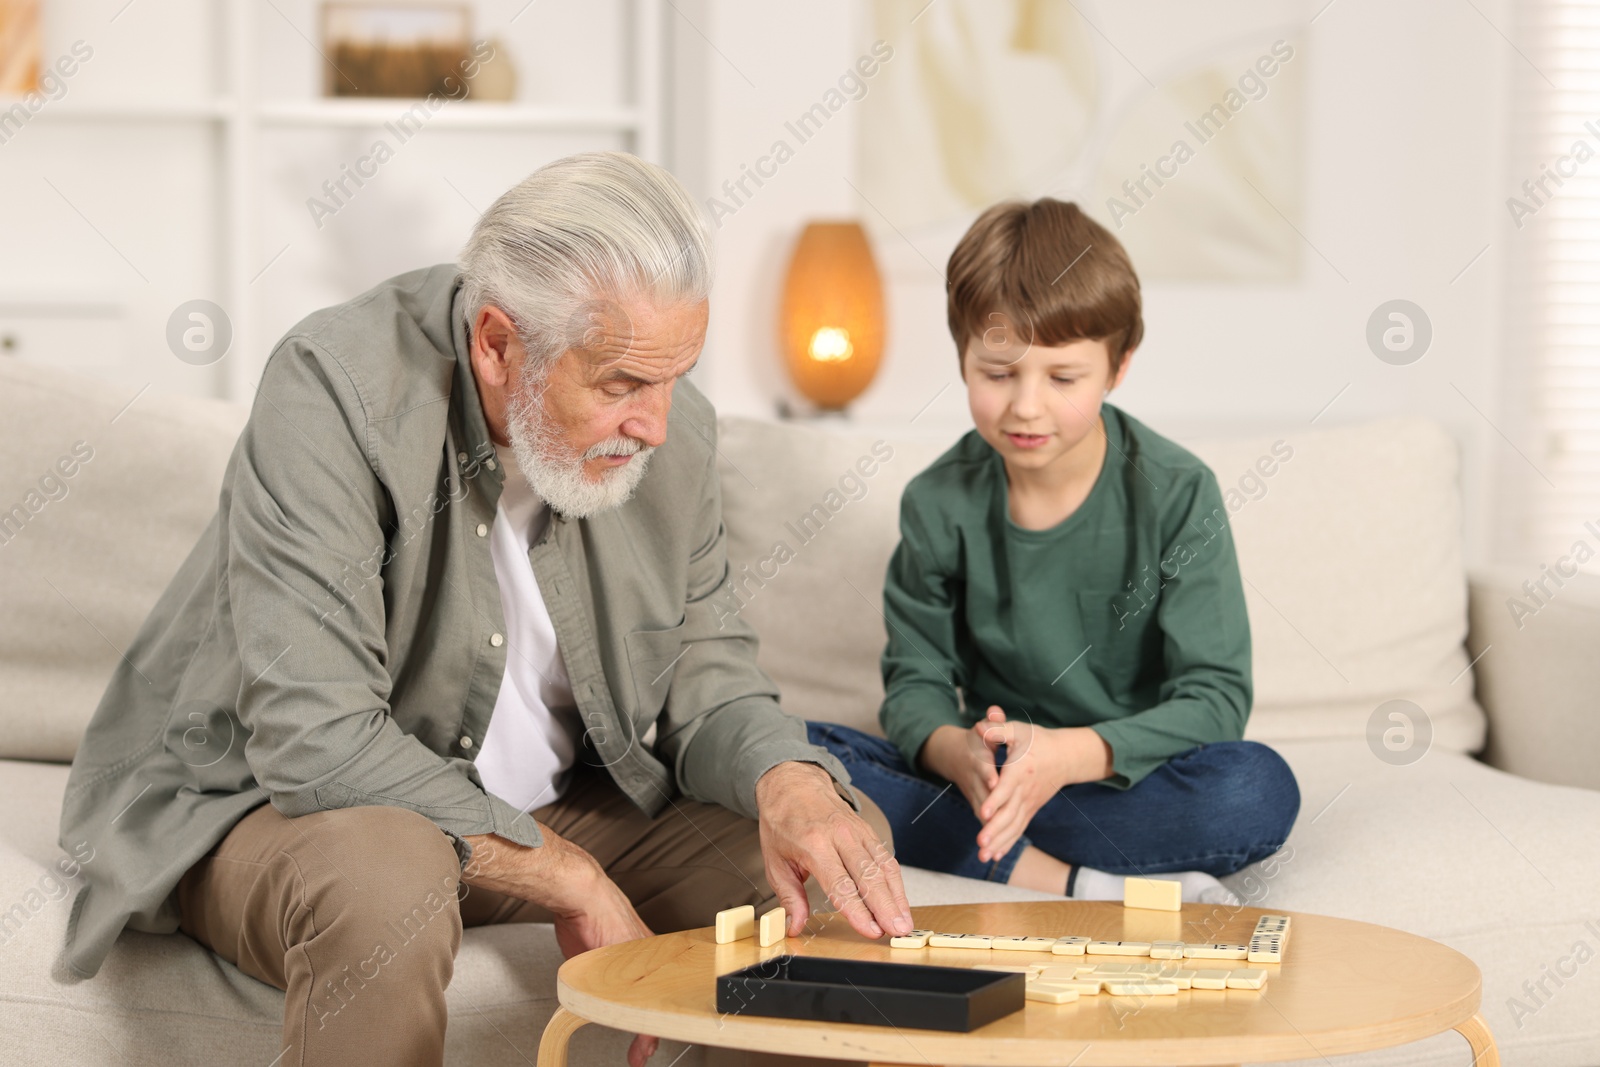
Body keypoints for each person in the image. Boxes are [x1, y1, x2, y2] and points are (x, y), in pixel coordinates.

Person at [57, 151, 912, 1067]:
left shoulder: (676, 430)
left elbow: (707, 676)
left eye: (676, 376)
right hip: (289, 812)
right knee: (389, 879)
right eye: (621, 384)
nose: (657, 425)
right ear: (498, 344)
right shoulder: (333, 390)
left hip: (560, 799)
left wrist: (792, 783)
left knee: (824, 877)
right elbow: (317, 737)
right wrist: (565, 873)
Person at [808, 198, 1299, 905]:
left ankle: (995, 848)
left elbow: (1216, 698)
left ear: (1117, 368)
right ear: (963, 356)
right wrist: (961, 753)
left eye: (1062, 378)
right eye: (998, 373)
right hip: (992, 782)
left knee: (1256, 786)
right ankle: (1074, 881)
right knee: (801, 753)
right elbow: (914, 684)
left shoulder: (1177, 492)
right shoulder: (937, 501)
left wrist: (1067, 756)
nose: (1026, 407)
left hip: (1123, 778)